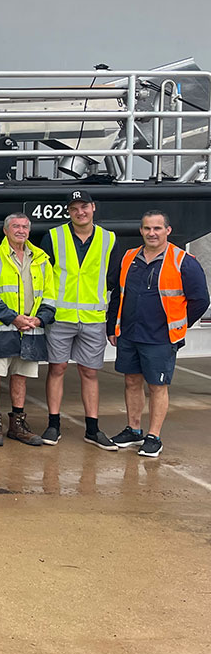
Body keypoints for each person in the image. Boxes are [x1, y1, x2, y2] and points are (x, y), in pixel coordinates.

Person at [106, 210, 209, 458]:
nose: (152, 233)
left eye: (157, 228)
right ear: (141, 231)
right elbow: (118, 295)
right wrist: (112, 326)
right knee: (131, 382)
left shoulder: (183, 261)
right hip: (130, 333)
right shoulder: (129, 257)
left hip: (160, 338)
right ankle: (133, 430)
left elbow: (200, 300)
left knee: (157, 386)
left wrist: (178, 326)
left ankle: (153, 437)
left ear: (168, 231)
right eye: (147, 228)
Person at [41, 189, 121, 450]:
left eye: (84, 207)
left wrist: (111, 322)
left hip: (93, 317)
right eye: (74, 208)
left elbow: (115, 282)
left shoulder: (109, 239)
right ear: (69, 211)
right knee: (57, 369)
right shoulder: (53, 237)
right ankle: (53, 425)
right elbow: (43, 278)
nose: (80, 212)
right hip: (60, 317)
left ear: (93, 207)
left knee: (89, 372)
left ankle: (92, 429)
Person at [0, 213, 56, 447]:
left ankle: (17, 424)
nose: (20, 230)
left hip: (31, 330)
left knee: (21, 376)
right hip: (1, 328)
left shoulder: (42, 259)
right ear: (5, 230)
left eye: (24, 226)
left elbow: (50, 296)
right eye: (15, 226)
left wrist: (40, 319)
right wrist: (14, 319)